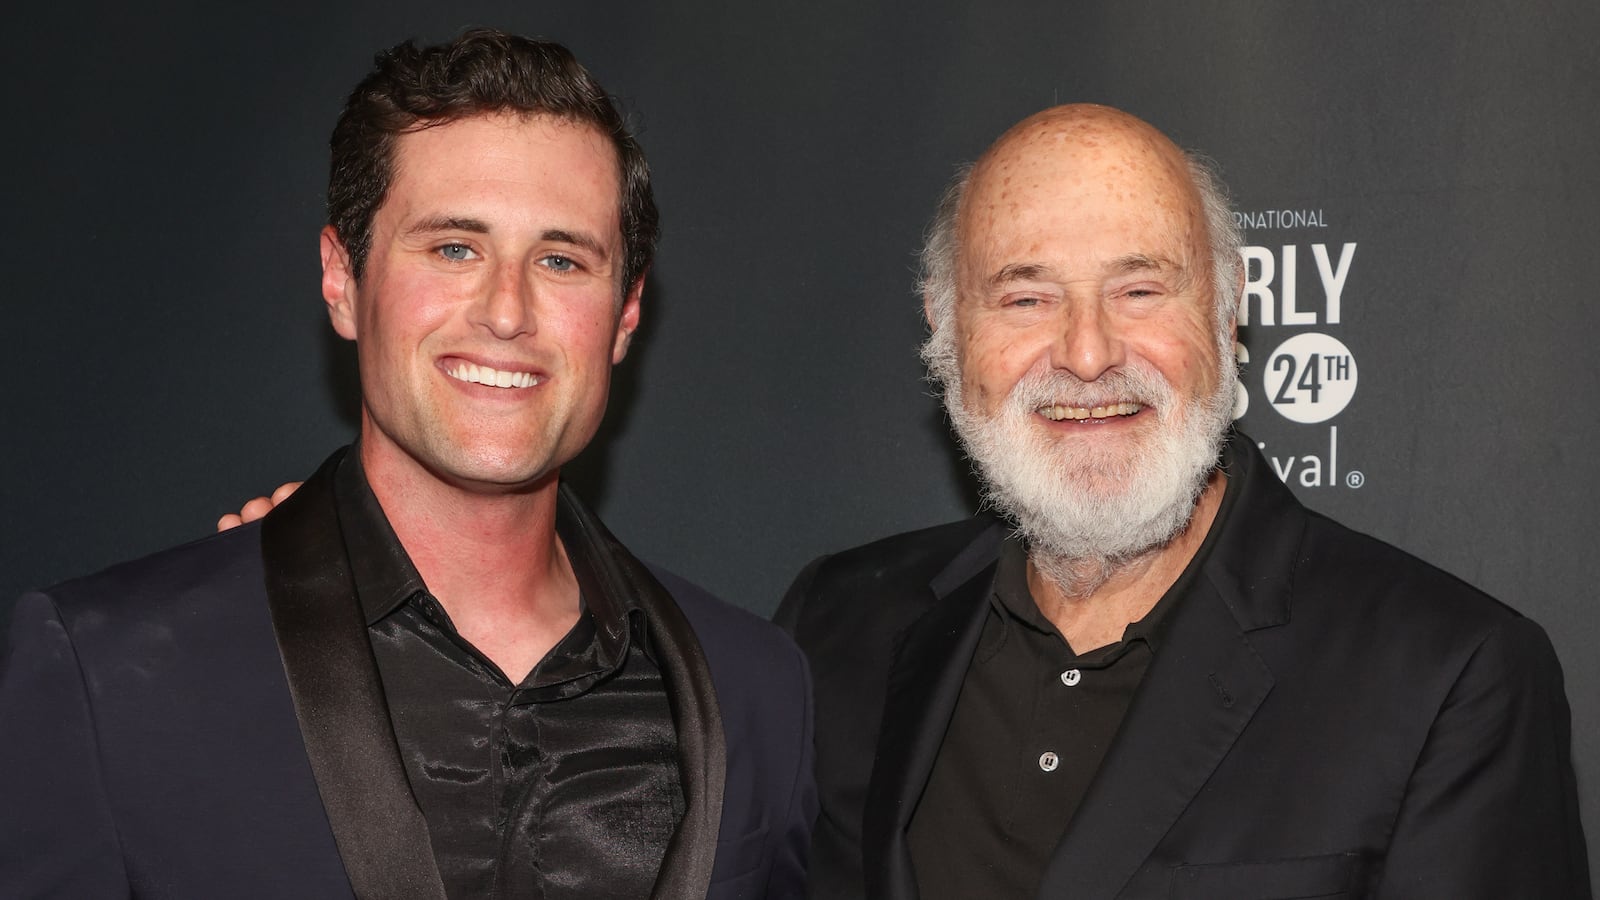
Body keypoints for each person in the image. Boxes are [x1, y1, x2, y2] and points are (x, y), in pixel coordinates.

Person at [0, 29, 814, 900]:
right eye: (454, 248)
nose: (508, 311)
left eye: (561, 259)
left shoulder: (757, 687)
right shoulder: (109, 672)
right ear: (343, 280)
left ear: (624, 317)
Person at [774, 104, 1588, 899]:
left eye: (1140, 291)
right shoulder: (834, 627)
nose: (1087, 354)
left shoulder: (1450, 674)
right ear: (947, 333)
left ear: (1229, 312)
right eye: (1027, 299)